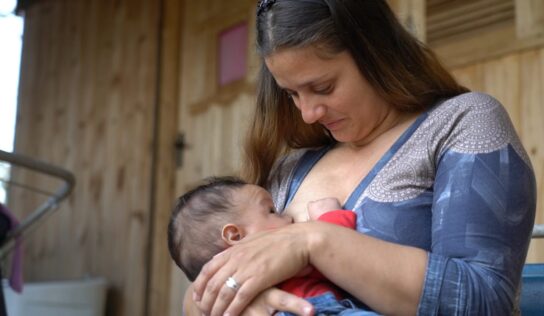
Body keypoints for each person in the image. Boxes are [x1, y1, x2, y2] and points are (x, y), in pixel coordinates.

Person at [186, 0, 537, 315]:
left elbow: (484, 301)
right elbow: (203, 288)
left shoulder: (461, 122)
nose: (308, 112)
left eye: (323, 87)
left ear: (376, 53)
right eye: (292, 93)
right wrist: (247, 303)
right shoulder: (289, 169)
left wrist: (313, 242)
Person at [168, 176, 378, 315]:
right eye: (271, 211)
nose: (287, 216)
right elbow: (330, 255)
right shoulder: (269, 268)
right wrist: (330, 216)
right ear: (235, 235)